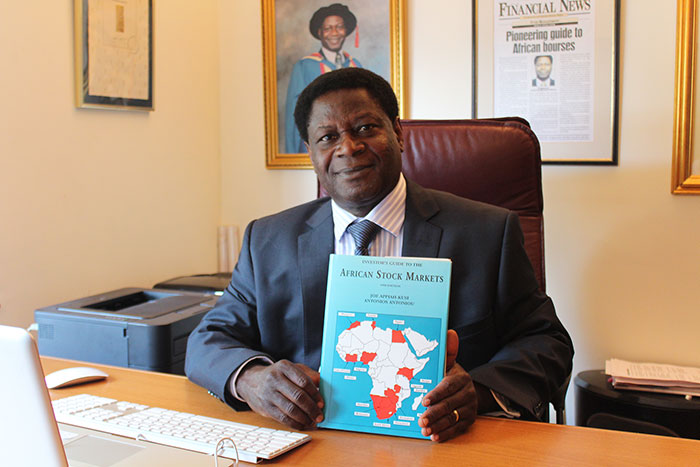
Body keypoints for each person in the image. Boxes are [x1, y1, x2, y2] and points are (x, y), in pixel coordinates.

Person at [186, 68, 574, 443]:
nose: (348, 148)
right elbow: (208, 340)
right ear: (311, 153)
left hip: (440, 444)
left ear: (398, 133)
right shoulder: (268, 240)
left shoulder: (486, 232)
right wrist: (252, 380)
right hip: (307, 444)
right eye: (327, 137)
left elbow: (547, 343)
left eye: (365, 128)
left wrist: (479, 391)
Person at [284, 3, 362, 153]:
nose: (334, 33)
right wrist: (293, 155)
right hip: (319, 148)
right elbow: (293, 119)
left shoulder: (355, 65)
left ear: (346, 30)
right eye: (328, 28)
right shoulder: (305, 66)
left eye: (339, 27)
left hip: (352, 148)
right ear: (319, 32)